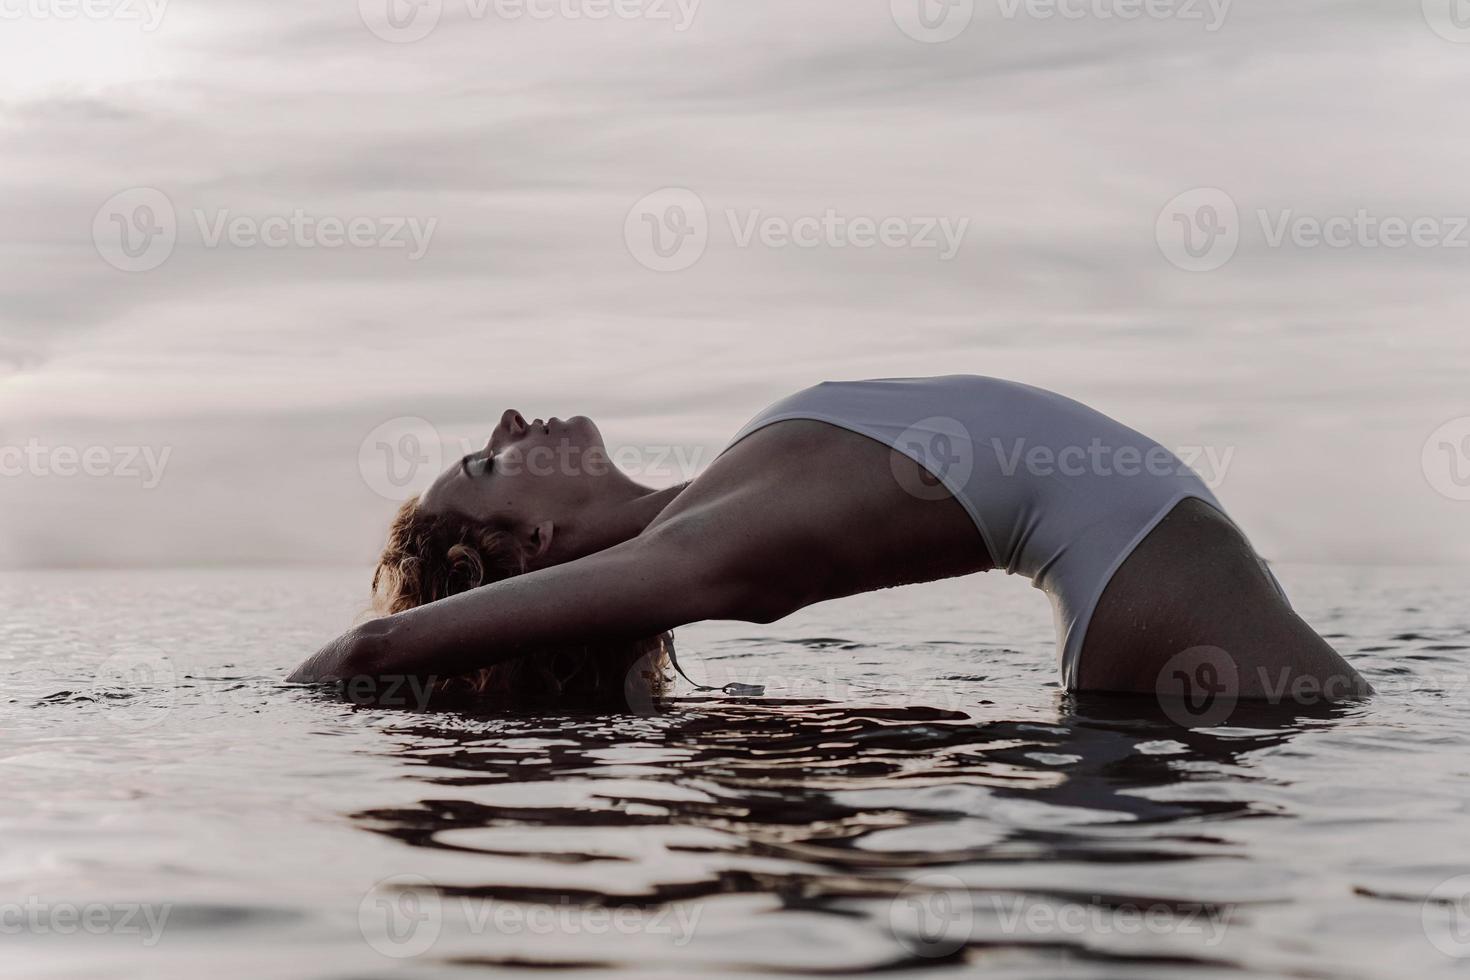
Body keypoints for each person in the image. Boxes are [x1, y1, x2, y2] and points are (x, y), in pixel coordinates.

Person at [288, 375, 1370, 705]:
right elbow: (375, 651)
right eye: (487, 462)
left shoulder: (705, 508)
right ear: (530, 542)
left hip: (1142, 574)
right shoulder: (707, 545)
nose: (510, 424)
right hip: (1147, 579)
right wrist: (302, 683)